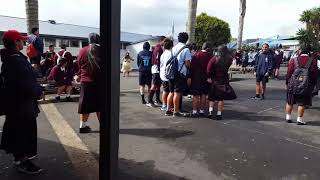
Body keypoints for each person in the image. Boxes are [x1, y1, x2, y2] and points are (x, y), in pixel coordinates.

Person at [0, 30, 43, 174]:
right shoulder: (16, 60)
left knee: (17, 130)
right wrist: (38, 91)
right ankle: (21, 160)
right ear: (15, 42)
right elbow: (27, 84)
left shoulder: (10, 58)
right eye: (21, 40)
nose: (23, 43)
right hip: (21, 104)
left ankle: (21, 158)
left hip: (15, 103)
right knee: (22, 132)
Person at [75, 33, 101, 133]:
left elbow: (78, 64)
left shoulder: (82, 50)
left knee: (85, 105)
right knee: (100, 105)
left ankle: (83, 126)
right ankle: (103, 126)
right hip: (100, 82)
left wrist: (78, 74)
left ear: (89, 40)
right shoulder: (103, 51)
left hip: (86, 81)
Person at [285, 46, 318, 125]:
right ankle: (299, 119)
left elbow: (289, 72)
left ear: (300, 52)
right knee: (302, 103)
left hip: (293, 85)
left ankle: (288, 117)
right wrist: (312, 85)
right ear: (309, 52)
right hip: (305, 86)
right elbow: (314, 74)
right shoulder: (313, 61)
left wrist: (287, 82)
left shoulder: (294, 60)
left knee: (290, 102)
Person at [207, 46, 236, 120]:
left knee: (212, 97)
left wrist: (209, 77)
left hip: (214, 79)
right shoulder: (229, 59)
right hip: (224, 79)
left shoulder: (214, 58)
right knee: (220, 98)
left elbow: (208, 69)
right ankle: (219, 114)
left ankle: (210, 112)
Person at [166, 32, 192, 117]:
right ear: (186, 39)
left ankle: (168, 110)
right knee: (177, 93)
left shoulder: (173, 48)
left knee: (171, 92)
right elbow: (187, 63)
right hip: (179, 74)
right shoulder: (186, 49)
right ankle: (176, 111)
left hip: (171, 72)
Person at [190, 42, 213, 117]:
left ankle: (194, 112)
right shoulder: (210, 56)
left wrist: (190, 77)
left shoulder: (196, 55)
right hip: (206, 78)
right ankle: (202, 111)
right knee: (203, 95)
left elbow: (192, 67)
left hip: (196, 78)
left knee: (195, 95)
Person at [147, 36, 166, 107]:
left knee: (158, 85)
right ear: (161, 41)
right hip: (156, 69)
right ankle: (149, 101)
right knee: (155, 85)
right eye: (164, 41)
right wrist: (159, 69)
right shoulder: (158, 49)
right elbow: (158, 60)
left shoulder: (158, 48)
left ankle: (157, 99)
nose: (165, 43)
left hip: (156, 69)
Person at [159, 38, 174, 112]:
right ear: (171, 46)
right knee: (170, 92)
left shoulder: (163, 54)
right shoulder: (171, 54)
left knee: (165, 91)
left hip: (163, 74)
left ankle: (164, 105)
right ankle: (168, 107)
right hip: (169, 75)